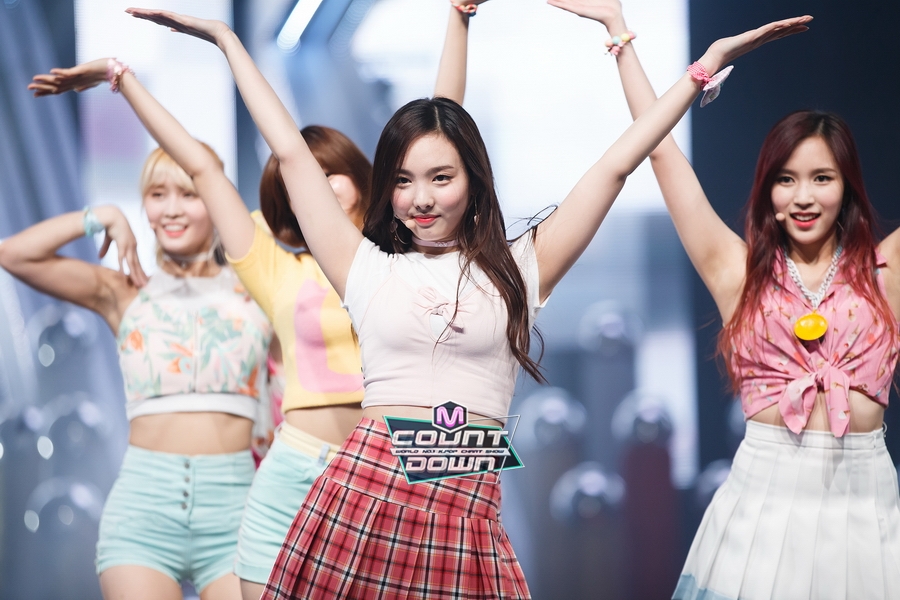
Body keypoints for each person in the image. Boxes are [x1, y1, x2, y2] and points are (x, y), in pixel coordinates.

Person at [128, 4, 810, 597]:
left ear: (472, 180)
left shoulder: (521, 269)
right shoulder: (364, 266)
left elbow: (616, 164)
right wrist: (227, 40)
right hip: (361, 500)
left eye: (440, 178)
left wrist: (701, 68)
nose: (420, 198)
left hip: (466, 517)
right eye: (402, 181)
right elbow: (291, 150)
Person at [30, 4, 484, 599]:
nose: (314, 184)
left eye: (328, 172)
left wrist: (459, 18)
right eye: (301, 180)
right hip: (294, 471)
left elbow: (442, 132)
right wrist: (123, 79)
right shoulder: (276, 269)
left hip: (387, 467)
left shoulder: (401, 258)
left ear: (360, 177)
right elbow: (201, 167)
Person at [551, 1, 900, 598]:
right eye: (786, 179)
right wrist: (621, 34)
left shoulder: (884, 274)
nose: (803, 196)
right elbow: (660, 153)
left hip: (863, 508)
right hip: (761, 505)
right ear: (767, 191)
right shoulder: (736, 271)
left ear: (847, 188)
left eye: (822, 178)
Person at [0, 139, 270, 596]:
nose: (172, 209)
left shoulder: (258, 289)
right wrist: (99, 216)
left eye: (189, 193)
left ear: (216, 199)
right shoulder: (126, 292)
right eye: (157, 194)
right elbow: (13, 254)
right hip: (143, 511)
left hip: (237, 513)